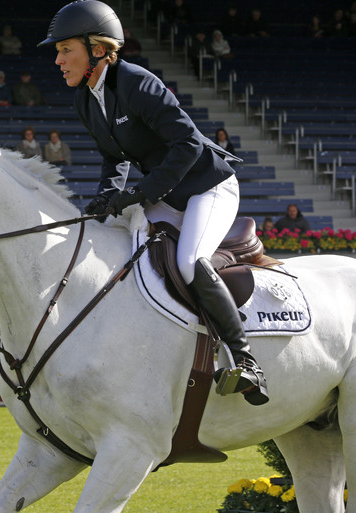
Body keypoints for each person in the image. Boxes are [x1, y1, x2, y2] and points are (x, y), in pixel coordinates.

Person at [39, 0, 268, 405]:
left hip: (207, 187)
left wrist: (141, 194)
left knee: (188, 262)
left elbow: (187, 144)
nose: (57, 60)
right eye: (57, 52)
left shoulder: (136, 82)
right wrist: (105, 199)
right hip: (167, 193)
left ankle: (245, 359)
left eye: (64, 49)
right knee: (112, 241)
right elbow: (114, 157)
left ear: (97, 49)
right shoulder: (86, 99)